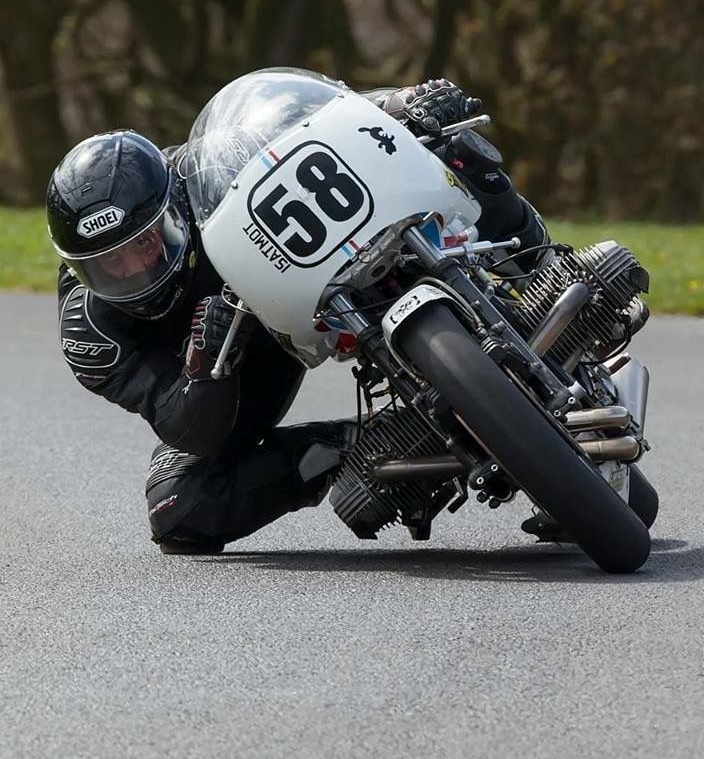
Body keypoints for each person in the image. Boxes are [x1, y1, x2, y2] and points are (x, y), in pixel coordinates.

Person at [47, 76, 548, 554]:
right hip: (239, 366)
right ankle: (369, 447)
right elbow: (189, 431)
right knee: (178, 508)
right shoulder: (92, 331)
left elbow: (304, 119)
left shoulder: (200, 171)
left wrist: (403, 102)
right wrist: (204, 366)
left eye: (146, 244)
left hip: (302, 260)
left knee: (448, 145)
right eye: (109, 265)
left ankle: (545, 277)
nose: (135, 269)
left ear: (171, 209)